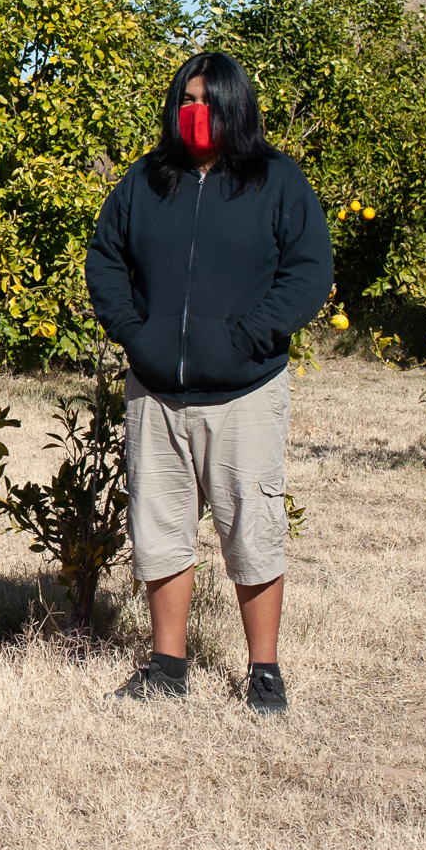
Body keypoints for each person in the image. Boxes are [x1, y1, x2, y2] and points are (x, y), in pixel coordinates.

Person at [84, 51, 332, 714]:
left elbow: (308, 272)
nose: (198, 112)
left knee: (252, 528)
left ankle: (265, 672)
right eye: (187, 100)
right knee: (160, 529)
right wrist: (137, 334)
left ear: (236, 106)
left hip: (245, 392)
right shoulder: (146, 180)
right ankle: (168, 665)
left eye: (210, 101)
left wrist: (249, 335)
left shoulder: (276, 180)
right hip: (156, 391)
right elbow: (106, 259)